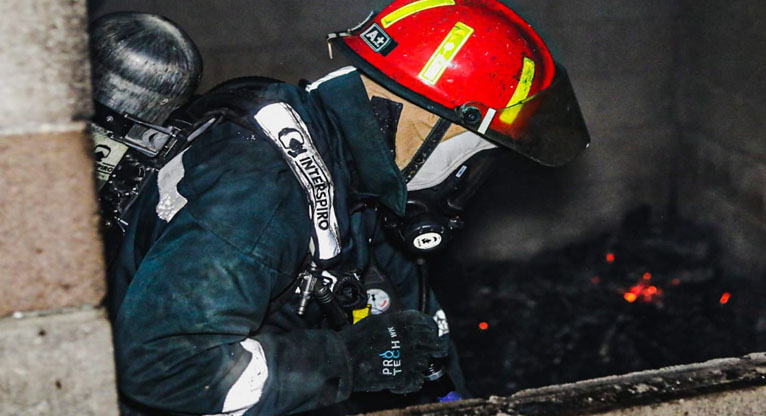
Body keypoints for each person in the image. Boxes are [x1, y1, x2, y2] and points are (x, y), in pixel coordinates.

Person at [102, 1, 591, 415]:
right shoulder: (259, 190)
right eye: (479, 158)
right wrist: (345, 362)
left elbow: (415, 333)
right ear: (427, 127)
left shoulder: (357, 175)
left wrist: (451, 401)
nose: (472, 181)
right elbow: (161, 366)